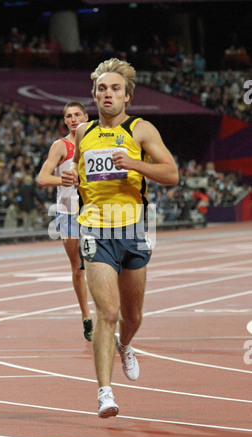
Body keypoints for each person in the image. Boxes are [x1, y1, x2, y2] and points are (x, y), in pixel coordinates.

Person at [62, 58, 179, 418]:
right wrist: (70, 179)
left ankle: (125, 345)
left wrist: (135, 164)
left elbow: (171, 174)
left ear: (127, 96)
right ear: (94, 95)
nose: (107, 94)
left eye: (115, 88)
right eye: (101, 88)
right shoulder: (83, 133)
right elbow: (81, 172)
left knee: (133, 316)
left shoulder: (141, 130)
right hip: (95, 230)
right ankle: (104, 393)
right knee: (107, 311)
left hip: (133, 230)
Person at [37, 101, 93, 342]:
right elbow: (42, 177)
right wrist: (65, 181)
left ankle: (110, 314)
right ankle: (87, 318)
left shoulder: (96, 144)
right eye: (69, 116)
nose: (73, 119)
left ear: (86, 116)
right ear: (65, 121)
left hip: (96, 212)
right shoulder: (61, 146)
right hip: (68, 214)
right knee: (79, 268)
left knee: (105, 265)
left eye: (77, 114)